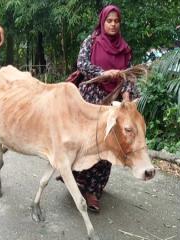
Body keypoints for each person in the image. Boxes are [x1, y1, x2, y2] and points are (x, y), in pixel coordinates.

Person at [60, 5, 139, 213]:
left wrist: (127, 96)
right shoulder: (92, 41)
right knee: (85, 142)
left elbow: (129, 75)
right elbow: (82, 64)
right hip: (91, 101)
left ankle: (93, 191)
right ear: (103, 22)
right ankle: (75, 180)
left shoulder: (125, 48)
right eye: (109, 21)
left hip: (112, 104)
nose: (113, 24)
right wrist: (105, 72)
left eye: (116, 21)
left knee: (107, 145)